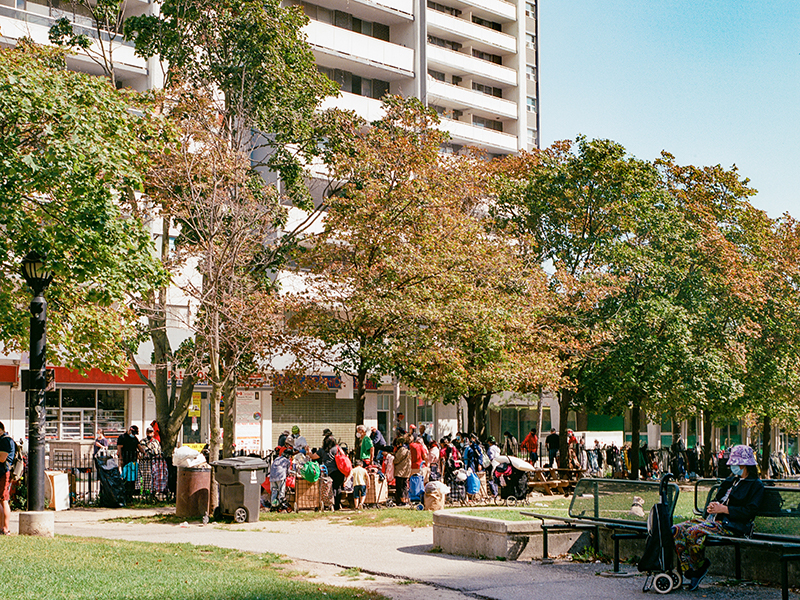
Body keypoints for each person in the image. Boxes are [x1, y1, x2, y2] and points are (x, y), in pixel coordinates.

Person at [672, 444, 764, 591]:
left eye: (735, 463)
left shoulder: (755, 485)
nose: (732, 467)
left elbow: (749, 511)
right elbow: (720, 499)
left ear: (744, 464)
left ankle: (698, 568)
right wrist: (713, 506)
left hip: (731, 525)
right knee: (677, 529)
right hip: (714, 520)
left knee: (693, 532)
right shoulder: (732, 481)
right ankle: (690, 569)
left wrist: (724, 509)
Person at [0, 422, 15, 535]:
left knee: (3, 499)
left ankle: (5, 528)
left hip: (3, 473)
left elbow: (2, 458)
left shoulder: (5, 441)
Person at [392, 436, 411, 506]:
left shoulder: (401, 450)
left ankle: (401, 501)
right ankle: (406, 500)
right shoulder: (407, 450)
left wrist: (392, 458)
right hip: (406, 472)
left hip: (400, 472)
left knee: (400, 487)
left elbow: (396, 460)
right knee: (405, 486)